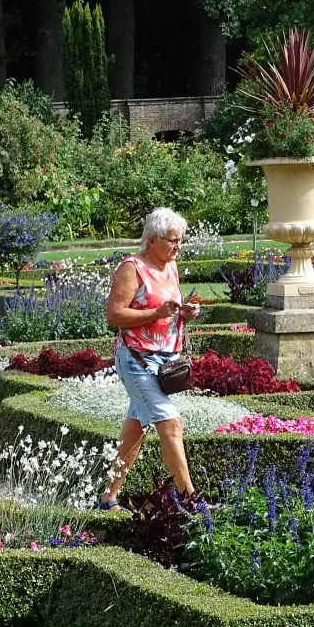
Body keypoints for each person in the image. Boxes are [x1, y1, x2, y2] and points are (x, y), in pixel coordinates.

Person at [97, 208, 202, 509]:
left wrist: (186, 311)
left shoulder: (170, 267)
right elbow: (114, 315)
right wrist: (156, 313)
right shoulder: (132, 268)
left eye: (180, 240)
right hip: (136, 359)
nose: (177, 247)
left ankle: (108, 497)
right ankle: (190, 501)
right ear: (152, 239)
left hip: (165, 360)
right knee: (170, 425)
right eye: (172, 241)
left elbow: (170, 308)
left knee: (135, 428)